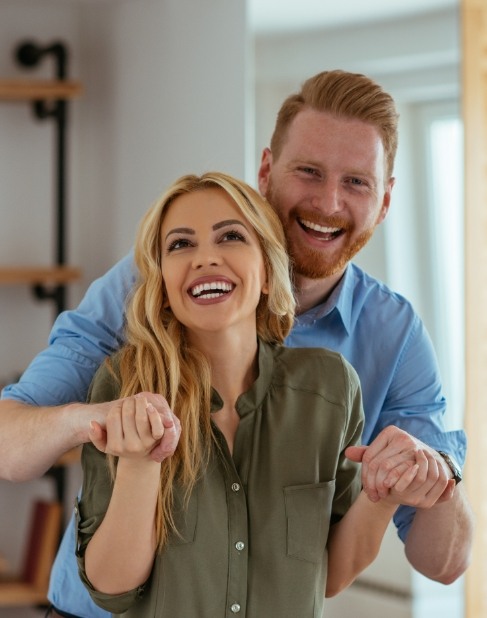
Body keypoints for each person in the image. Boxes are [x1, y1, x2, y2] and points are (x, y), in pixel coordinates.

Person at [0, 70, 473, 618]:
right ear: (268, 170)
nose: (328, 201)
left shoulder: (382, 345)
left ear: (385, 200)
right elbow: (11, 446)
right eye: (309, 172)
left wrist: (426, 478)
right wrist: (107, 423)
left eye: (357, 183)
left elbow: (441, 561)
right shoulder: (150, 288)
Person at [76, 171, 423, 616]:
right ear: (162, 286)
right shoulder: (123, 387)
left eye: (231, 237)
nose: (205, 259)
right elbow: (112, 588)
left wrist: (385, 495)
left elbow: (330, 575)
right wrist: (141, 465)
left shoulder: (330, 389)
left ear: (266, 272)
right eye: (180, 245)